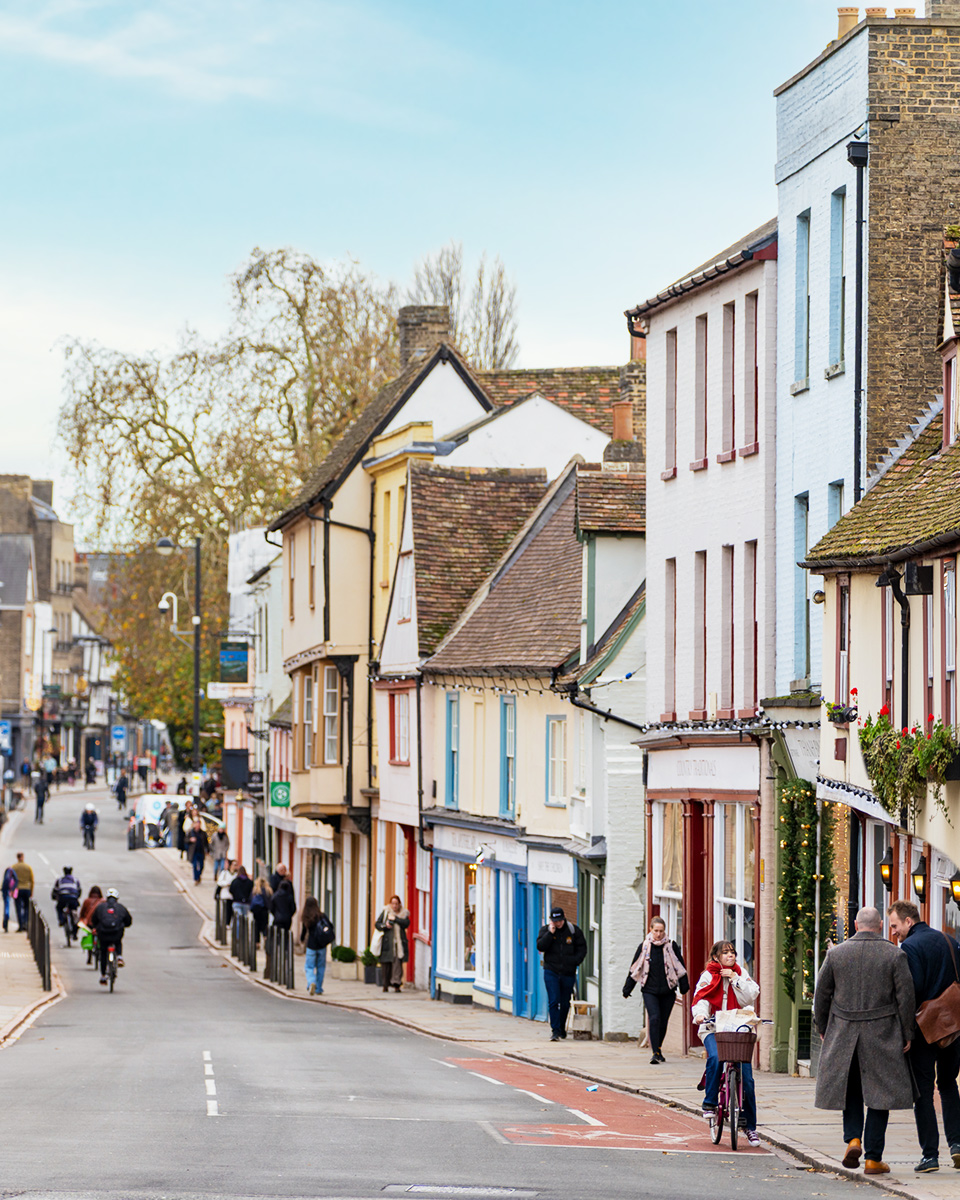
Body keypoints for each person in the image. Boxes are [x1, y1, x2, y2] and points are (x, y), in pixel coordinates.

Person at [814, 906, 915, 1176]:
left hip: (844, 1032)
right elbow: (906, 998)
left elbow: (821, 995)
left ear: (856, 925)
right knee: (880, 1096)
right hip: (883, 1034)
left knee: (852, 1092)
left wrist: (823, 1027)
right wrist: (907, 1033)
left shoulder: (836, 954)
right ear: (880, 924)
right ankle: (872, 1158)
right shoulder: (895, 955)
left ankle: (853, 1139)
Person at [887, 899, 960, 1172]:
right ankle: (958, 1143)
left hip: (924, 1030)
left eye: (895, 926)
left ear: (909, 921)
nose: (894, 932)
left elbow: (911, 991)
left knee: (924, 1092)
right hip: (954, 1026)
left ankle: (930, 1155)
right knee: (949, 1084)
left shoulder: (909, 947)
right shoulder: (950, 940)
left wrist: (905, 1031)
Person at [692, 940, 761, 1147]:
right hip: (713, 1028)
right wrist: (700, 1016)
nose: (730, 956)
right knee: (715, 1057)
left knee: (747, 1079)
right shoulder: (708, 975)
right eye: (725, 953)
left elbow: (750, 996)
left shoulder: (740, 973)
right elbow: (701, 998)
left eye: (732, 952)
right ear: (716, 957)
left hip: (737, 1028)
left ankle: (750, 1127)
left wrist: (735, 979)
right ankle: (710, 1103)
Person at [623, 916, 689, 1064]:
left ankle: (659, 1048)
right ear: (650, 930)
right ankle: (654, 1053)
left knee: (663, 1021)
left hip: (668, 990)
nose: (658, 934)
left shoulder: (671, 946)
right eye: (656, 931)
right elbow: (635, 968)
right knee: (654, 1018)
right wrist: (627, 989)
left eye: (661, 931)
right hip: (649, 990)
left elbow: (680, 966)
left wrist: (684, 986)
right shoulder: (644, 946)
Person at [536, 905, 587, 1041]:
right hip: (551, 971)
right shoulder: (545, 931)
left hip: (568, 972)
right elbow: (540, 946)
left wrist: (575, 961)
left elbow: (582, 948)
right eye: (554, 921)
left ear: (563, 919)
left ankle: (562, 1028)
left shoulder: (573, 931)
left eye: (559, 921)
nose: (557, 923)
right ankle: (555, 1030)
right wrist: (550, 934)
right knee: (554, 1001)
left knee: (565, 1002)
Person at [90, 887, 132, 984]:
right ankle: (119, 957)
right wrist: (123, 925)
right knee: (118, 942)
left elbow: (94, 920)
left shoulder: (100, 907)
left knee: (103, 952)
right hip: (116, 933)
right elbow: (128, 921)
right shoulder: (121, 907)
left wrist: (96, 927)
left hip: (103, 934)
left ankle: (103, 976)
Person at [375, 894, 411, 992]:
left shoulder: (404, 914)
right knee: (386, 965)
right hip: (388, 943)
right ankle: (385, 985)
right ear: (390, 904)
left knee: (397, 965)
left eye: (396, 904)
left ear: (399, 904)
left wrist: (396, 919)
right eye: (393, 903)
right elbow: (377, 924)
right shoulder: (386, 912)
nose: (394, 906)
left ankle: (396, 984)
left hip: (398, 944)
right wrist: (385, 925)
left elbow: (406, 924)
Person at [300, 896, 334, 995]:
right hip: (322, 945)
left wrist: (302, 939)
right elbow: (331, 926)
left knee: (309, 967)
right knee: (321, 967)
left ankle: (311, 982)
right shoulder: (321, 916)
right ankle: (318, 988)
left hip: (311, 945)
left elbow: (304, 931)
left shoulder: (306, 916)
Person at [51, 866, 81, 934]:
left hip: (63, 898)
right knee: (74, 912)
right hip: (73, 899)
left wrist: (54, 897)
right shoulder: (76, 880)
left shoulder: (60, 880)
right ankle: (75, 931)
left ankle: (61, 920)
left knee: (58, 908)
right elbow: (79, 890)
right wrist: (76, 897)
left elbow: (55, 891)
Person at [12, 852, 33, 931]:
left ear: (17, 857)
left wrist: (11, 890)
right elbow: (32, 880)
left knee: (18, 907)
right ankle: (25, 922)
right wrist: (31, 891)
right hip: (27, 889)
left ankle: (20, 925)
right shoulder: (28, 867)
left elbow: (11, 880)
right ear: (23, 857)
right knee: (26, 907)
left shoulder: (14, 867)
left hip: (17, 889)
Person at [186, 818, 208, 884]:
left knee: (201, 865)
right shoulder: (191, 832)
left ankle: (199, 875)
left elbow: (206, 842)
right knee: (195, 865)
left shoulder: (203, 833)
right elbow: (185, 840)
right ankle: (196, 878)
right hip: (194, 851)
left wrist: (207, 850)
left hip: (201, 851)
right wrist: (190, 840)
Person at [250, 877, 272, 943]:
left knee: (256, 926)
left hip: (256, 910)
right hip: (264, 910)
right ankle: (266, 938)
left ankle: (257, 942)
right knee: (265, 925)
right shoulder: (268, 890)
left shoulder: (255, 890)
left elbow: (250, 899)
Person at [2, 862, 18, 932]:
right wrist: (13, 889)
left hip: (5, 891)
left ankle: (5, 921)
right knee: (7, 906)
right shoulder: (12, 872)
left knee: (6, 906)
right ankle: (6, 919)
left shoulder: (7, 872)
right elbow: (16, 880)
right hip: (8, 891)